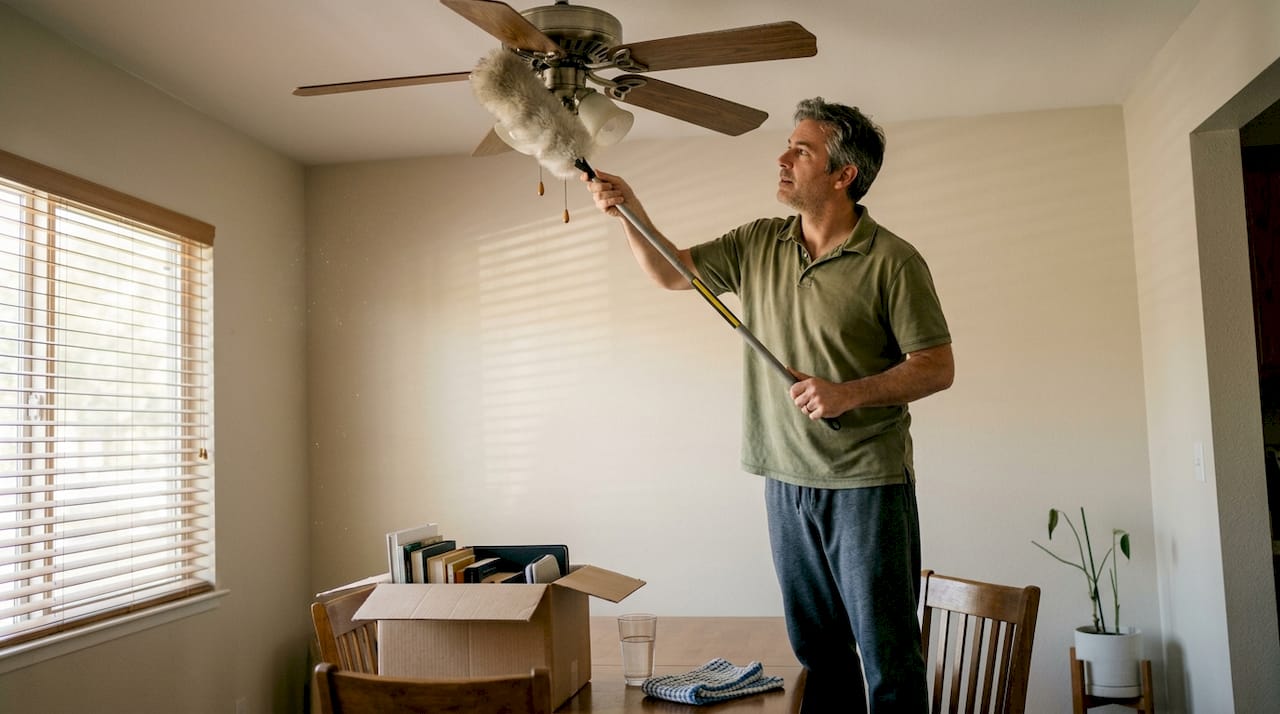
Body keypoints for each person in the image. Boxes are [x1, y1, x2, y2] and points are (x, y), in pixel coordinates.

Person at [584, 97, 954, 713]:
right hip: (785, 481)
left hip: (867, 485)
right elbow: (673, 273)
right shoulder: (759, 242)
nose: (782, 158)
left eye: (801, 150)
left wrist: (849, 392)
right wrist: (629, 210)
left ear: (843, 175)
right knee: (820, 657)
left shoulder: (893, 260)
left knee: (887, 660)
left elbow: (936, 366)